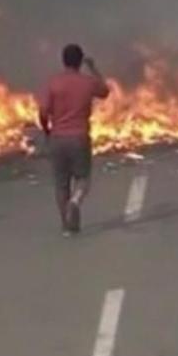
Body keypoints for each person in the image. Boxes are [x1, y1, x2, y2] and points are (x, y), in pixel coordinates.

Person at [38, 44, 111, 235]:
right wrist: (93, 68)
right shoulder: (87, 82)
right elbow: (105, 91)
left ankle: (67, 226)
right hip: (79, 138)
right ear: (80, 62)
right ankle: (76, 201)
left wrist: (47, 130)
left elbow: (43, 112)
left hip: (57, 138)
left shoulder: (53, 83)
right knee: (83, 179)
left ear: (63, 61)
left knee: (61, 184)